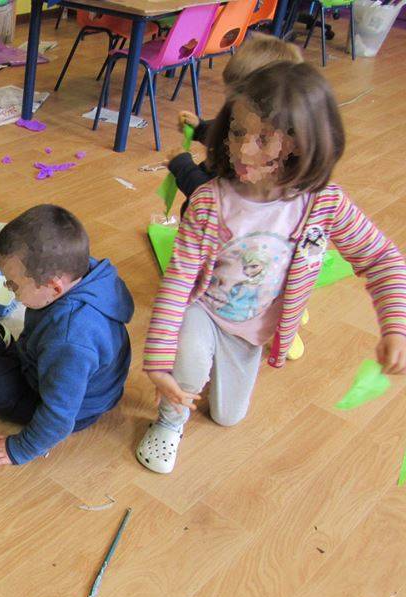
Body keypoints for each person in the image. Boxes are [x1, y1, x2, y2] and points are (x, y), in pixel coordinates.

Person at [137, 62, 406, 474]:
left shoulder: (325, 204)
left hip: (252, 331)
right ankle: (170, 420)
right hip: (204, 311)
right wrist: (158, 362)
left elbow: (382, 259)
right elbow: (178, 282)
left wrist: (396, 325)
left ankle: (200, 378)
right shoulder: (210, 201)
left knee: (228, 416)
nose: (243, 150)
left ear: (302, 145)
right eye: (237, 132)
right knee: (187, 361)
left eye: (263, 139)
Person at [0, 204, 134, 467]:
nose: (9, 288)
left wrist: (19, 449)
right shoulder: (76, 268)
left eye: (13, 284)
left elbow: (58, 416)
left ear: (54, 287)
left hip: (69, 407)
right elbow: (5, 252)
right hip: (50, 364)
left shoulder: (71, 340)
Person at [168, 34, 304, 217]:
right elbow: (227, 134)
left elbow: (213, 201)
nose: (230, 109)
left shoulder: (252, 160)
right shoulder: (255, 133)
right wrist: (200, 129)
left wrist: (182, 167)